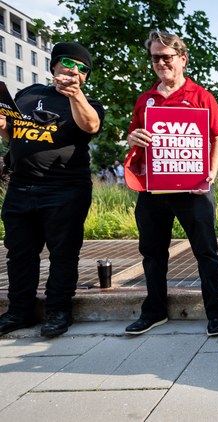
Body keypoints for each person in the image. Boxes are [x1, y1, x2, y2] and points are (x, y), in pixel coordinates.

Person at [125, 30, 218, 336]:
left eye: (166, 57)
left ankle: (215, 312)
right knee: (152, 254)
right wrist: (132, 138)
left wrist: (212, 170)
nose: (160, 63)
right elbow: (134, 138)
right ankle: (154, 312)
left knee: (206, 251)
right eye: (155, 57)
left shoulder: (202, 97)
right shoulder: (145, 100)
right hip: (152, 189)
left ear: (181, 59)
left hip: (193, 190)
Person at [0, 42, 104, 337]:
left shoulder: (88, 103)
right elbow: (14, 133)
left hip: (65, 187)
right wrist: (3, 126)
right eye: (69, 63)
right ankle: (20, 311)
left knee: (63, 253)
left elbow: (91, 125)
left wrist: (76, 95)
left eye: (83, 69)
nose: (75, 70)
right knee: (19, 253)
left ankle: (59, 312)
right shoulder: (28, 94)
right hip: (20, 186)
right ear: (55, 65)